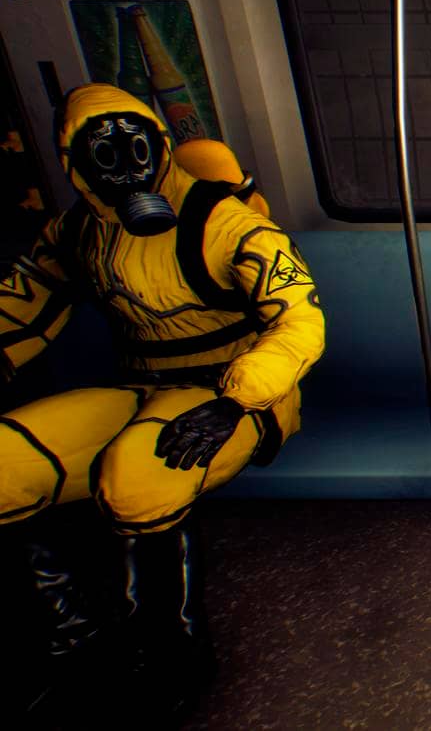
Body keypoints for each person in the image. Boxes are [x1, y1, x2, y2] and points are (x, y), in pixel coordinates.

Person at [0, 83, 325, 716]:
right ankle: (74, 638)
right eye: (104, 152)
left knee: (140, 479)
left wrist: (238, 399)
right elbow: (21, 307)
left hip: (235, 393)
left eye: (137, 145)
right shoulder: (76, 234)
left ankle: (173, 654)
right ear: (75, 163)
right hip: (137, 386)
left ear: (162, 146)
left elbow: (298, 320)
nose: (127, 167)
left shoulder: (225, 223)